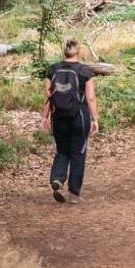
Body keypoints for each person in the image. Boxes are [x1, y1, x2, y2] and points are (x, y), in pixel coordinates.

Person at [41, 39, 98, 204]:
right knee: (78, 153)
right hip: (80, 117)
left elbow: (48, 96)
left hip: (58, 117)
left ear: (64, 51)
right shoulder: (84, 71)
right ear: (78, 51)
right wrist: (95, 119)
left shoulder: (52, 70)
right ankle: (74, 193)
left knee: (62, 150)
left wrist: (45, 117)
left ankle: (57, 180)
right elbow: (91, 98)